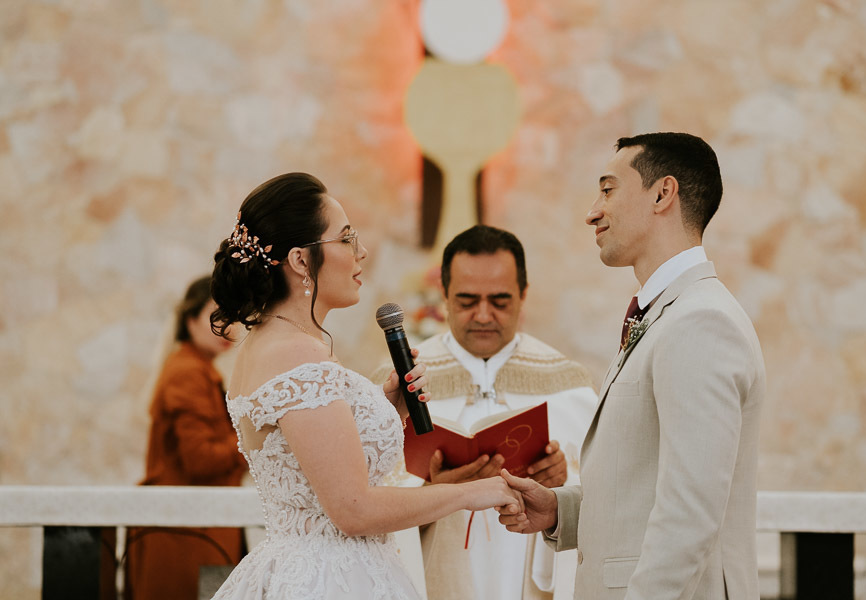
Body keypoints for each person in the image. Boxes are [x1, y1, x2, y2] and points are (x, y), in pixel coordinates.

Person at [207, 173, 522, 599]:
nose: (362, 251)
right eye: (346, 239)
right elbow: (353, 510)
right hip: (329, 579)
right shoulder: (296, 352)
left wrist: (387, 408)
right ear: (301, 260)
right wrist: (471, 492)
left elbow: (315, 465)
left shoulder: (268, 344)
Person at [498, 133, 766, 599]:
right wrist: (562, 511)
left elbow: (691, 512)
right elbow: (645, 483)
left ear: (663, 194)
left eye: (608, 189)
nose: (592, 212)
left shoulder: (700, 321)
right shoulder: (668, 313)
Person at [373, 225, 597, 600]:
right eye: (466, 300)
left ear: (523, 295)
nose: (482, 314)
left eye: (500, 300)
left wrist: (562, 481)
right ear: (443, 294)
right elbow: (364, 500)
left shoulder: (568, 382)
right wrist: (433, 494)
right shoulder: (399, 382)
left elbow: (608, 491)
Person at [126, 275, 248, 600]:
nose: (229, 326)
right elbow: (201, 460)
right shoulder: (188, 372)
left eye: (234, 316)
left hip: (194, 529)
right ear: (190, 319)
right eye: (218, 315)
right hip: (186, 536)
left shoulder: (195, 367)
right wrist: (254, 439)